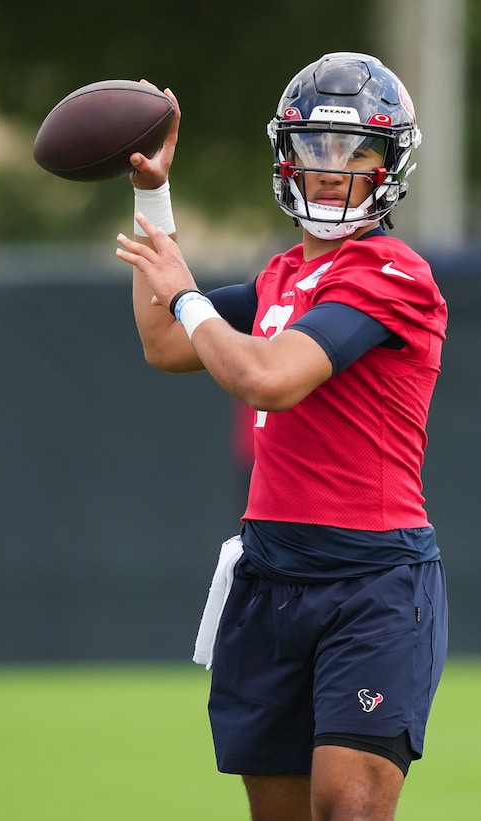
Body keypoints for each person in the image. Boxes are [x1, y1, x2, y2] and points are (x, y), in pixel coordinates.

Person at [115, 52, 448, 821]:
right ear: (286, 155)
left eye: (355, 151)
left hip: (369, 582)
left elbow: (267, 376)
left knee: (348, 810)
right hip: (269, 574)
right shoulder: (277, 278)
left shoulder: (393, 273)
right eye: (313, 148)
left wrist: (190, 294)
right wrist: (152, 193)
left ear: (389, 163)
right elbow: (165, 342)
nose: (330, 169)